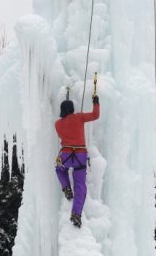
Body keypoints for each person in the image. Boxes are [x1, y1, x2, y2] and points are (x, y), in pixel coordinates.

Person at [55, 95, 100, 228]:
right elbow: (95, 115)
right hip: (80, 155)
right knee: (80, 184)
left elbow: (62, 135)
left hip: (67, 155)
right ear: (72, 109)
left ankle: (66, 188)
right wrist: (96, 102)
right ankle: (76, 214)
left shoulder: (57, 124)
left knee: (59, 169)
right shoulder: (79, 117)